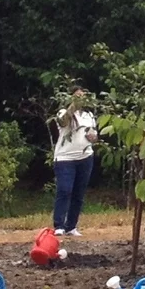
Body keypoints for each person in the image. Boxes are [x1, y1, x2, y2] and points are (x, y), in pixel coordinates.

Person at [48, 89, 98, 236]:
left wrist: (92, 137)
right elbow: (63, 122)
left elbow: (94, 134)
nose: (81, 100)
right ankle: (59, 225)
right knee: (65, 190)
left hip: (85, 157)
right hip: (65, 158)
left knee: (79, 193)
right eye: (77, 97)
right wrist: (73, 105)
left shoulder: (88, 116)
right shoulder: (63, 113)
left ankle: (71, 226)